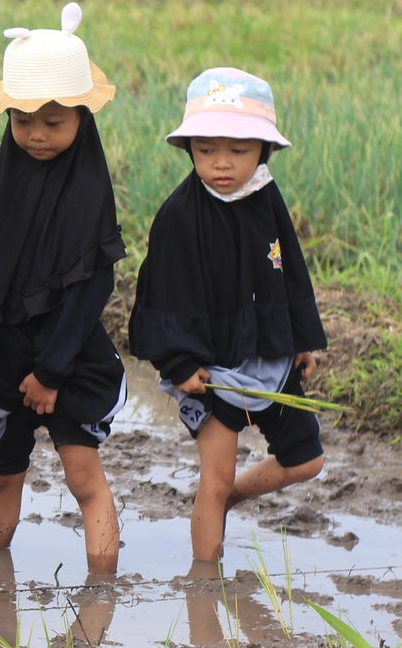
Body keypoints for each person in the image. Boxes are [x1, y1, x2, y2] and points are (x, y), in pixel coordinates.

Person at [128, 67, 325, 564]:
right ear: (189, 148)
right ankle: (203, 586)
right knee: (212, 480)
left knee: (306, 461)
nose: (221, 163)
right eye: (206, 150)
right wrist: (178, 365)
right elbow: (161, 295)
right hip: (209, 367)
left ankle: (231, 497)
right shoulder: (178, 216)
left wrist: (301, 338)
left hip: (268, 351)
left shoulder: (265, 196)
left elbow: (290, 268)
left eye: (238, 150)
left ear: (264, 150)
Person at [0, 3, 125, 576]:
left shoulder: (87, 193)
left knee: (83, 477)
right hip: (4, 353)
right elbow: (5, 272)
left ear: (82, 117)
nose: (35, 134)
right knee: (3, 476)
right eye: (22, 120)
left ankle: (102, 590)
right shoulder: (11, 176)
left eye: (53, 122)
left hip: (67, 359)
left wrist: (51, 373)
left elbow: (89, 288)